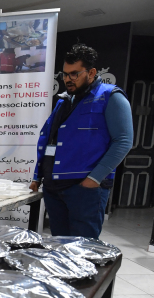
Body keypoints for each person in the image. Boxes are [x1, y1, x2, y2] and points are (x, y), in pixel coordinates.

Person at [30, 44, 133, 238]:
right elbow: (48, 139)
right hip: (54, 188)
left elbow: (124, 141)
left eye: (74, 74)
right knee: (60, 245)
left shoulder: (111, 97)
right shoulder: (63, 101)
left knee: (83, 250)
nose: (68, 79)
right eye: (65, 74)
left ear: (91, 72)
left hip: (84, 189)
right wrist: (38, 176)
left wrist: (93, 180)